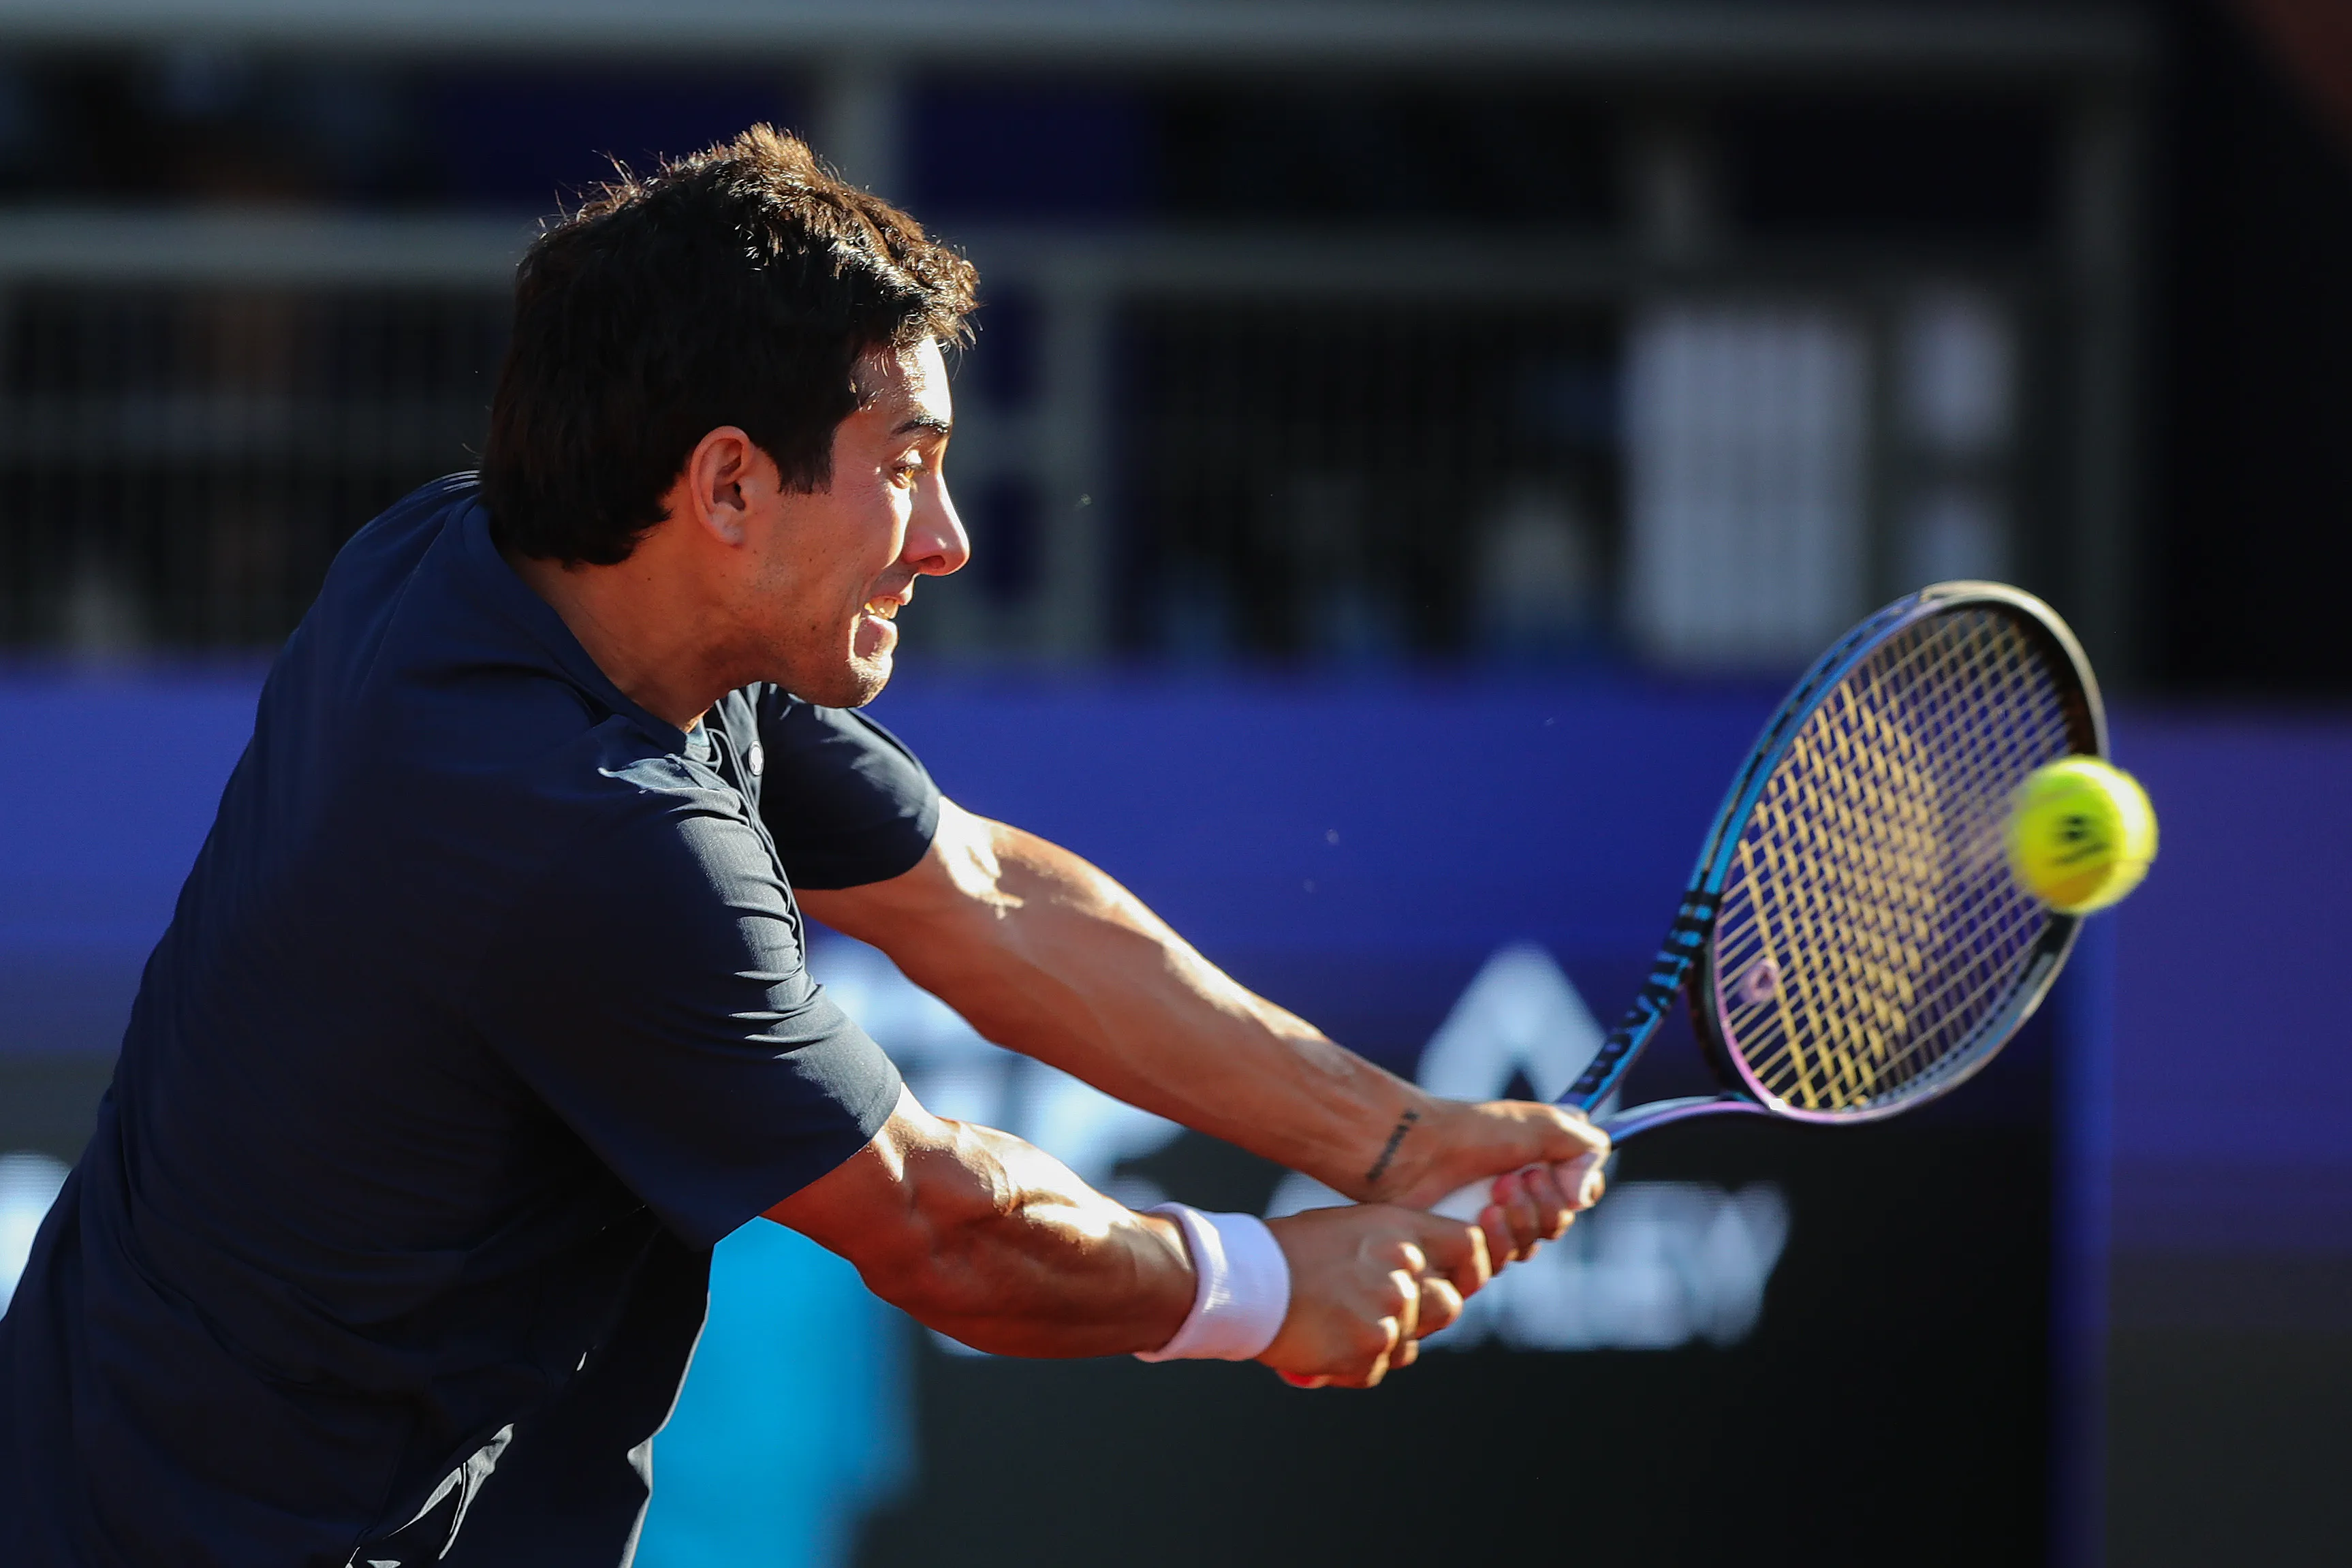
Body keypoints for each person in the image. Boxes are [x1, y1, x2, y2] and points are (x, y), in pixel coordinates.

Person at [0, 127, 1608, 1568]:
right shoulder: (578, 835)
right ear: (724, 485)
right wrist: (1266, 1285)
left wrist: (1394, 1139)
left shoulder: (475, 566)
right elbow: (941, 1227)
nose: (950, 535)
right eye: (904, 463)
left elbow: (978, 897)